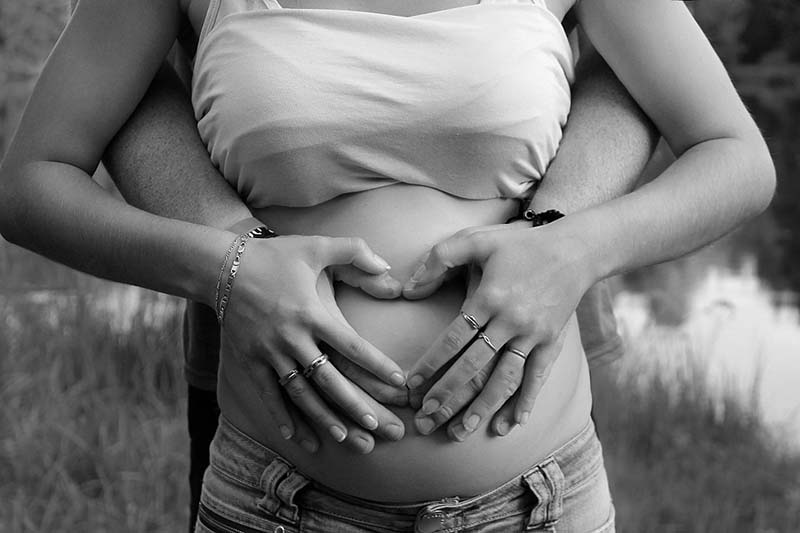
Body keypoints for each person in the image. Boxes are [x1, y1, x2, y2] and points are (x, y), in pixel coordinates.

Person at [0, 0, 774, 531]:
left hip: (540, 502)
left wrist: (573, 248)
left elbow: (734, 156)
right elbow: (33, 180)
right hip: (280, 501)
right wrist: (225, 266)